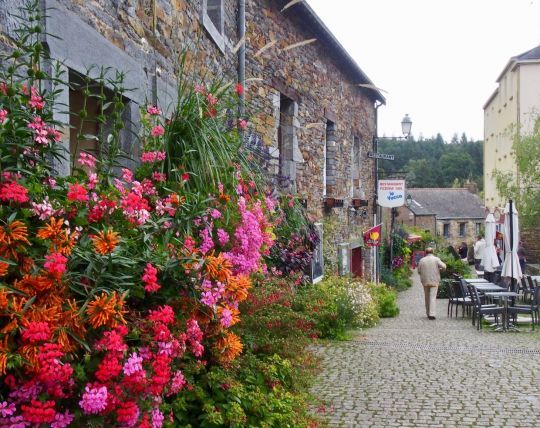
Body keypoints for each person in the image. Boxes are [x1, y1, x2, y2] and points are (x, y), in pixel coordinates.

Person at [417, 247, 446, 320]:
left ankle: (427, 313)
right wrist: (440, 270)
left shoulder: (422, 260)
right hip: (434, 280)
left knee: (427, 297)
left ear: (425, 252)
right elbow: (444, 266)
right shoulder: (436, 259)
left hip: (425, 281)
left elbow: (418, 271)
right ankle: (432, 314)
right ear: (432, 252)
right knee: (432, 297)